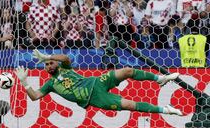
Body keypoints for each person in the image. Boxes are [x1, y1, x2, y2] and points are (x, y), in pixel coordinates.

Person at [15, 50, 183, 116]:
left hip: (97, 82)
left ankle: (159, 79)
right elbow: (35, 96)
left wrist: (48, 56)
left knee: (127, 71)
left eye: (51, 63)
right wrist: (24, 82)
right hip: (95, 98)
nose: (49, 65)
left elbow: (65, 58)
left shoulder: (65, 67)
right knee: (131, 105)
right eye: (46, 65)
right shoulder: (49, 84)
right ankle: (165, 110)